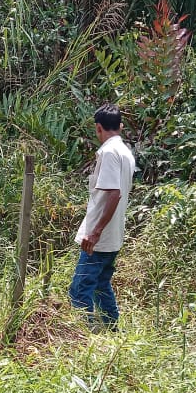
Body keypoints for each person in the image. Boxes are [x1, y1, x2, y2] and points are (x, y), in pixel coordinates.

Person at [68, 104, 135, 330]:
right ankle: (111, 330)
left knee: (80, 289)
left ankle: (81, 338)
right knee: (100, 285)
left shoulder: (108, 152)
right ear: (120, 126)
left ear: (98, 128)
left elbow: (113, 194)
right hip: (113, 235)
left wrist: (95, 232)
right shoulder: (125, 152)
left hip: (100, 238)